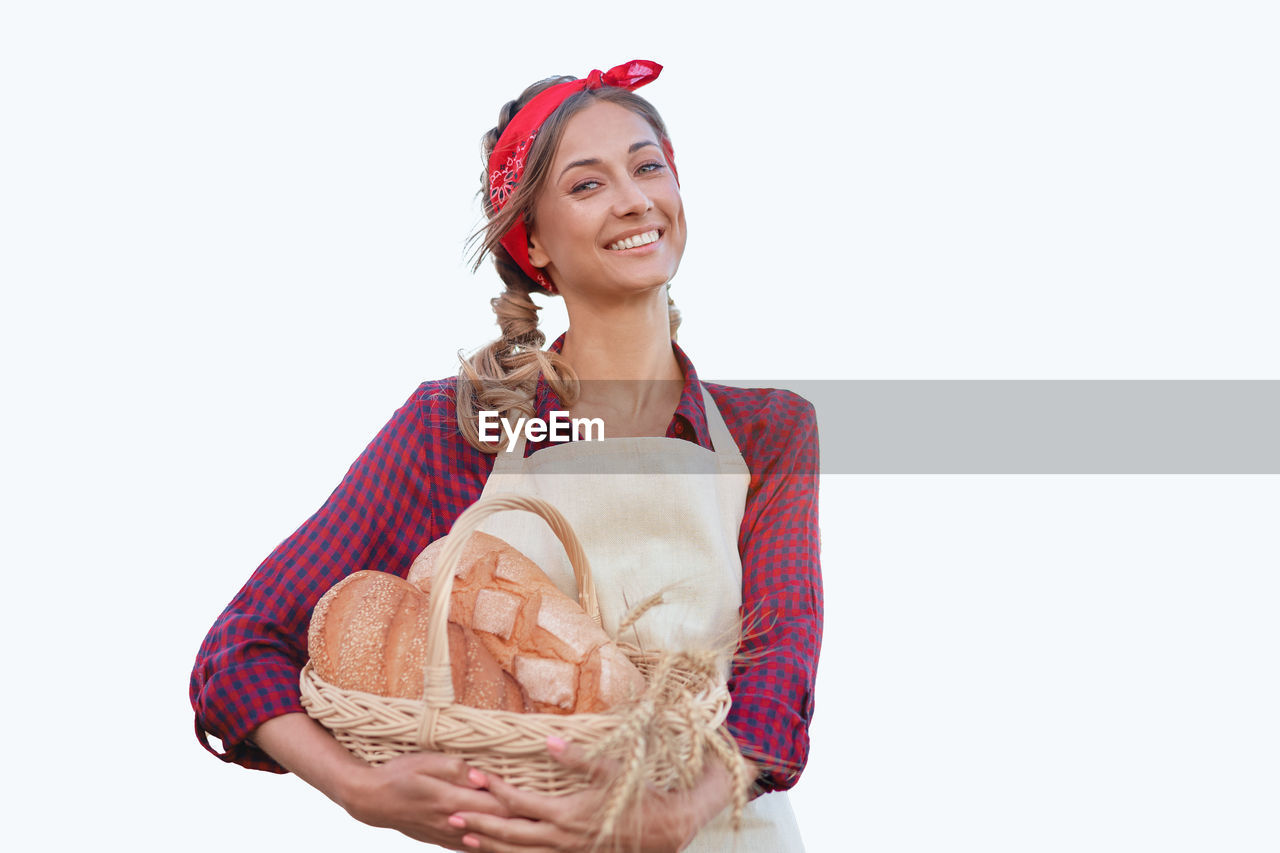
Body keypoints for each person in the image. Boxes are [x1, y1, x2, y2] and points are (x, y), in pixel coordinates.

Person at [190, 59, 822, 852]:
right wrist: (361, 789)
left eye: (648, 166)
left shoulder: (767, 430)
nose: (633, 199)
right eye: (586, 185)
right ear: (534, 242)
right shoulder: (453, 428)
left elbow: (781, 664)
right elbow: (239, 646)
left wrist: (670, 813)